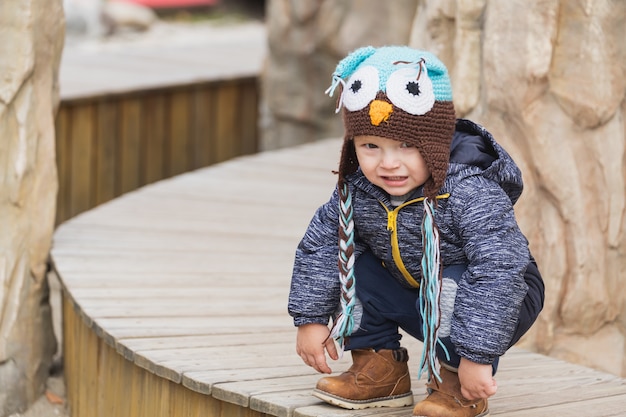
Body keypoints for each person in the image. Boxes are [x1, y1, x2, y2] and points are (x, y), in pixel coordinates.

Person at [287, 45, 545, 417]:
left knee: (453, 286)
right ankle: (380, 369)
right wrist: (310, 318)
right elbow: (321, 245)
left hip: (496, 294)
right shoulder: (359, 189)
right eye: (370, 146)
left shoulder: (470, 191)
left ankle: (455, 382)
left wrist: (477, 356)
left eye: (407, 146)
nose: (388, 163)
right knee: (350, 256)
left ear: (435, 142)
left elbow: (498, 272)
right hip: (416, 286)